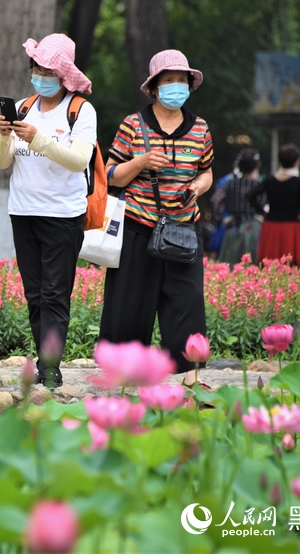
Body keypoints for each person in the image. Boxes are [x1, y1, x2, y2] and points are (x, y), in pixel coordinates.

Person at [100, 49, 213, 388]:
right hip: (138, 226)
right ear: (153, 88)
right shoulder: (133, 125)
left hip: (182, 228)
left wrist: (198, 187)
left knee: (187, 300)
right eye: (169, 81)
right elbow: (109, 175)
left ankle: (189, 374)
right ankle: (125, 376)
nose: (176, 87)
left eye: (182, 80)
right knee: (129, 303)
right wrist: (141, 162)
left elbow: (207, 171)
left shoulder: (201, 128)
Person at [0, 33, 97, 388]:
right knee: (34, 293)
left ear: (63, 74)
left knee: (55, 293)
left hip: (63, 215)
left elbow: (78, 159)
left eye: (48, 70)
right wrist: (5, 135)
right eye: (36, 67)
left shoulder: (80, 110)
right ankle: (43, 359)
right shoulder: (22, 107)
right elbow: (0, 162)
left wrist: (37, 137)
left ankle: (51, 365)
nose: (40, 74)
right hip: (23, 212)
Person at [246, 144, 300, 266]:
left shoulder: (269, 180)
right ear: (297, 162)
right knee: (295, 266)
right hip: (293, 226)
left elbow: (250, 195)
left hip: (271, 225)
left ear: (279, 161)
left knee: (270, 266)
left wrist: (263, 213)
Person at [211, 148, 264, 263]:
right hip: (254, 228)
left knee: (231, 265)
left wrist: (220, 219)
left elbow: (215, 200)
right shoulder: (258, 184)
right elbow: (265, 205)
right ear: (256, 166)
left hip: (233, 227)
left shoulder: (230, 183)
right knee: (253, 266)